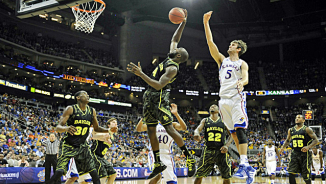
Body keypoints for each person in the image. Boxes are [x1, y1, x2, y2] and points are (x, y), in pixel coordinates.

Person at [127, 9, 196, 179]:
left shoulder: (172, 68)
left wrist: (141, 74)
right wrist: (183, 23)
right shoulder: (170, 57)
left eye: (178, 48)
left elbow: (158, 85)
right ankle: (158, 162)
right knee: (151, 129)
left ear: (178, 55)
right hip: (149, 96)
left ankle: (189, 157)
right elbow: (175, 38)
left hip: (158, 97)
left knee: (170, 128)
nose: (175, 46)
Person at [203, 11, 255, 184]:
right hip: (222, 100)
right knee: (233, 134)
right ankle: (248, 168)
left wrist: (242, 83)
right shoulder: (222, 60)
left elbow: (246, 77)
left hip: (236, 98)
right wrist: (205, 23)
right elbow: (210, 42)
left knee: (240, 130)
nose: (230, 45)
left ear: (238, 49)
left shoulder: (242, 63)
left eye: (233, 44)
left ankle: (244, 163)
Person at [48, 91, 111, 184]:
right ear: (78, 97)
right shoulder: (70, 109)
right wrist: (66, 128)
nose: (88, 95)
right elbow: (58, 127)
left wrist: (109, 130)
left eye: (88, 94)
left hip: (82, 145)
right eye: (85, 94)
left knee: (94, 172)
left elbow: (96, 128)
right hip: (68, 144)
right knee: (59, 171)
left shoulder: (91, 110)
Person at [136, 103, 187, 184]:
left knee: (172, 181)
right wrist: (144, 117)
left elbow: (184, 127)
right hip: (155, 153)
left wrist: (176, 114)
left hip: (167, 155)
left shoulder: (172, 124)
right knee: (157, 176)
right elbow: (139, 129)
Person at [66, 118, 118, 184]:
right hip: (91, 155)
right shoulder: (102, 131)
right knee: (73, 177)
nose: (115, 123)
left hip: (90, 156)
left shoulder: (111, 135)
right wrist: (103, 136)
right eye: (113, 122)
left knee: (113, 174)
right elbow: (94, 135)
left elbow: (92, 136)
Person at [193, 104, 233, 184]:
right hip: (208, 150)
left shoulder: (223, 121)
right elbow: (197, 129)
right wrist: (196, 133)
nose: (212, 106)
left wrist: (227, 145)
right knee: (199, 174)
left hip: (221, 150)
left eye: (215, 106)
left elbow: (232, 134)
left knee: (226, 176)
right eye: (211, 106)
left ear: (219, 110)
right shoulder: (205, 120)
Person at [281, 114, 319, 184]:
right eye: (296, 117)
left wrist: (308, 147)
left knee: (305, 176)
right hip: (294, 153)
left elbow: (316, 140)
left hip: (305, 154)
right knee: (291, 173)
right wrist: (283, 147)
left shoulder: (307, 129)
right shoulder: (291, 130)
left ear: (303, 120)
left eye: (299, 117)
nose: (297, 119)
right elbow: (287, 140)